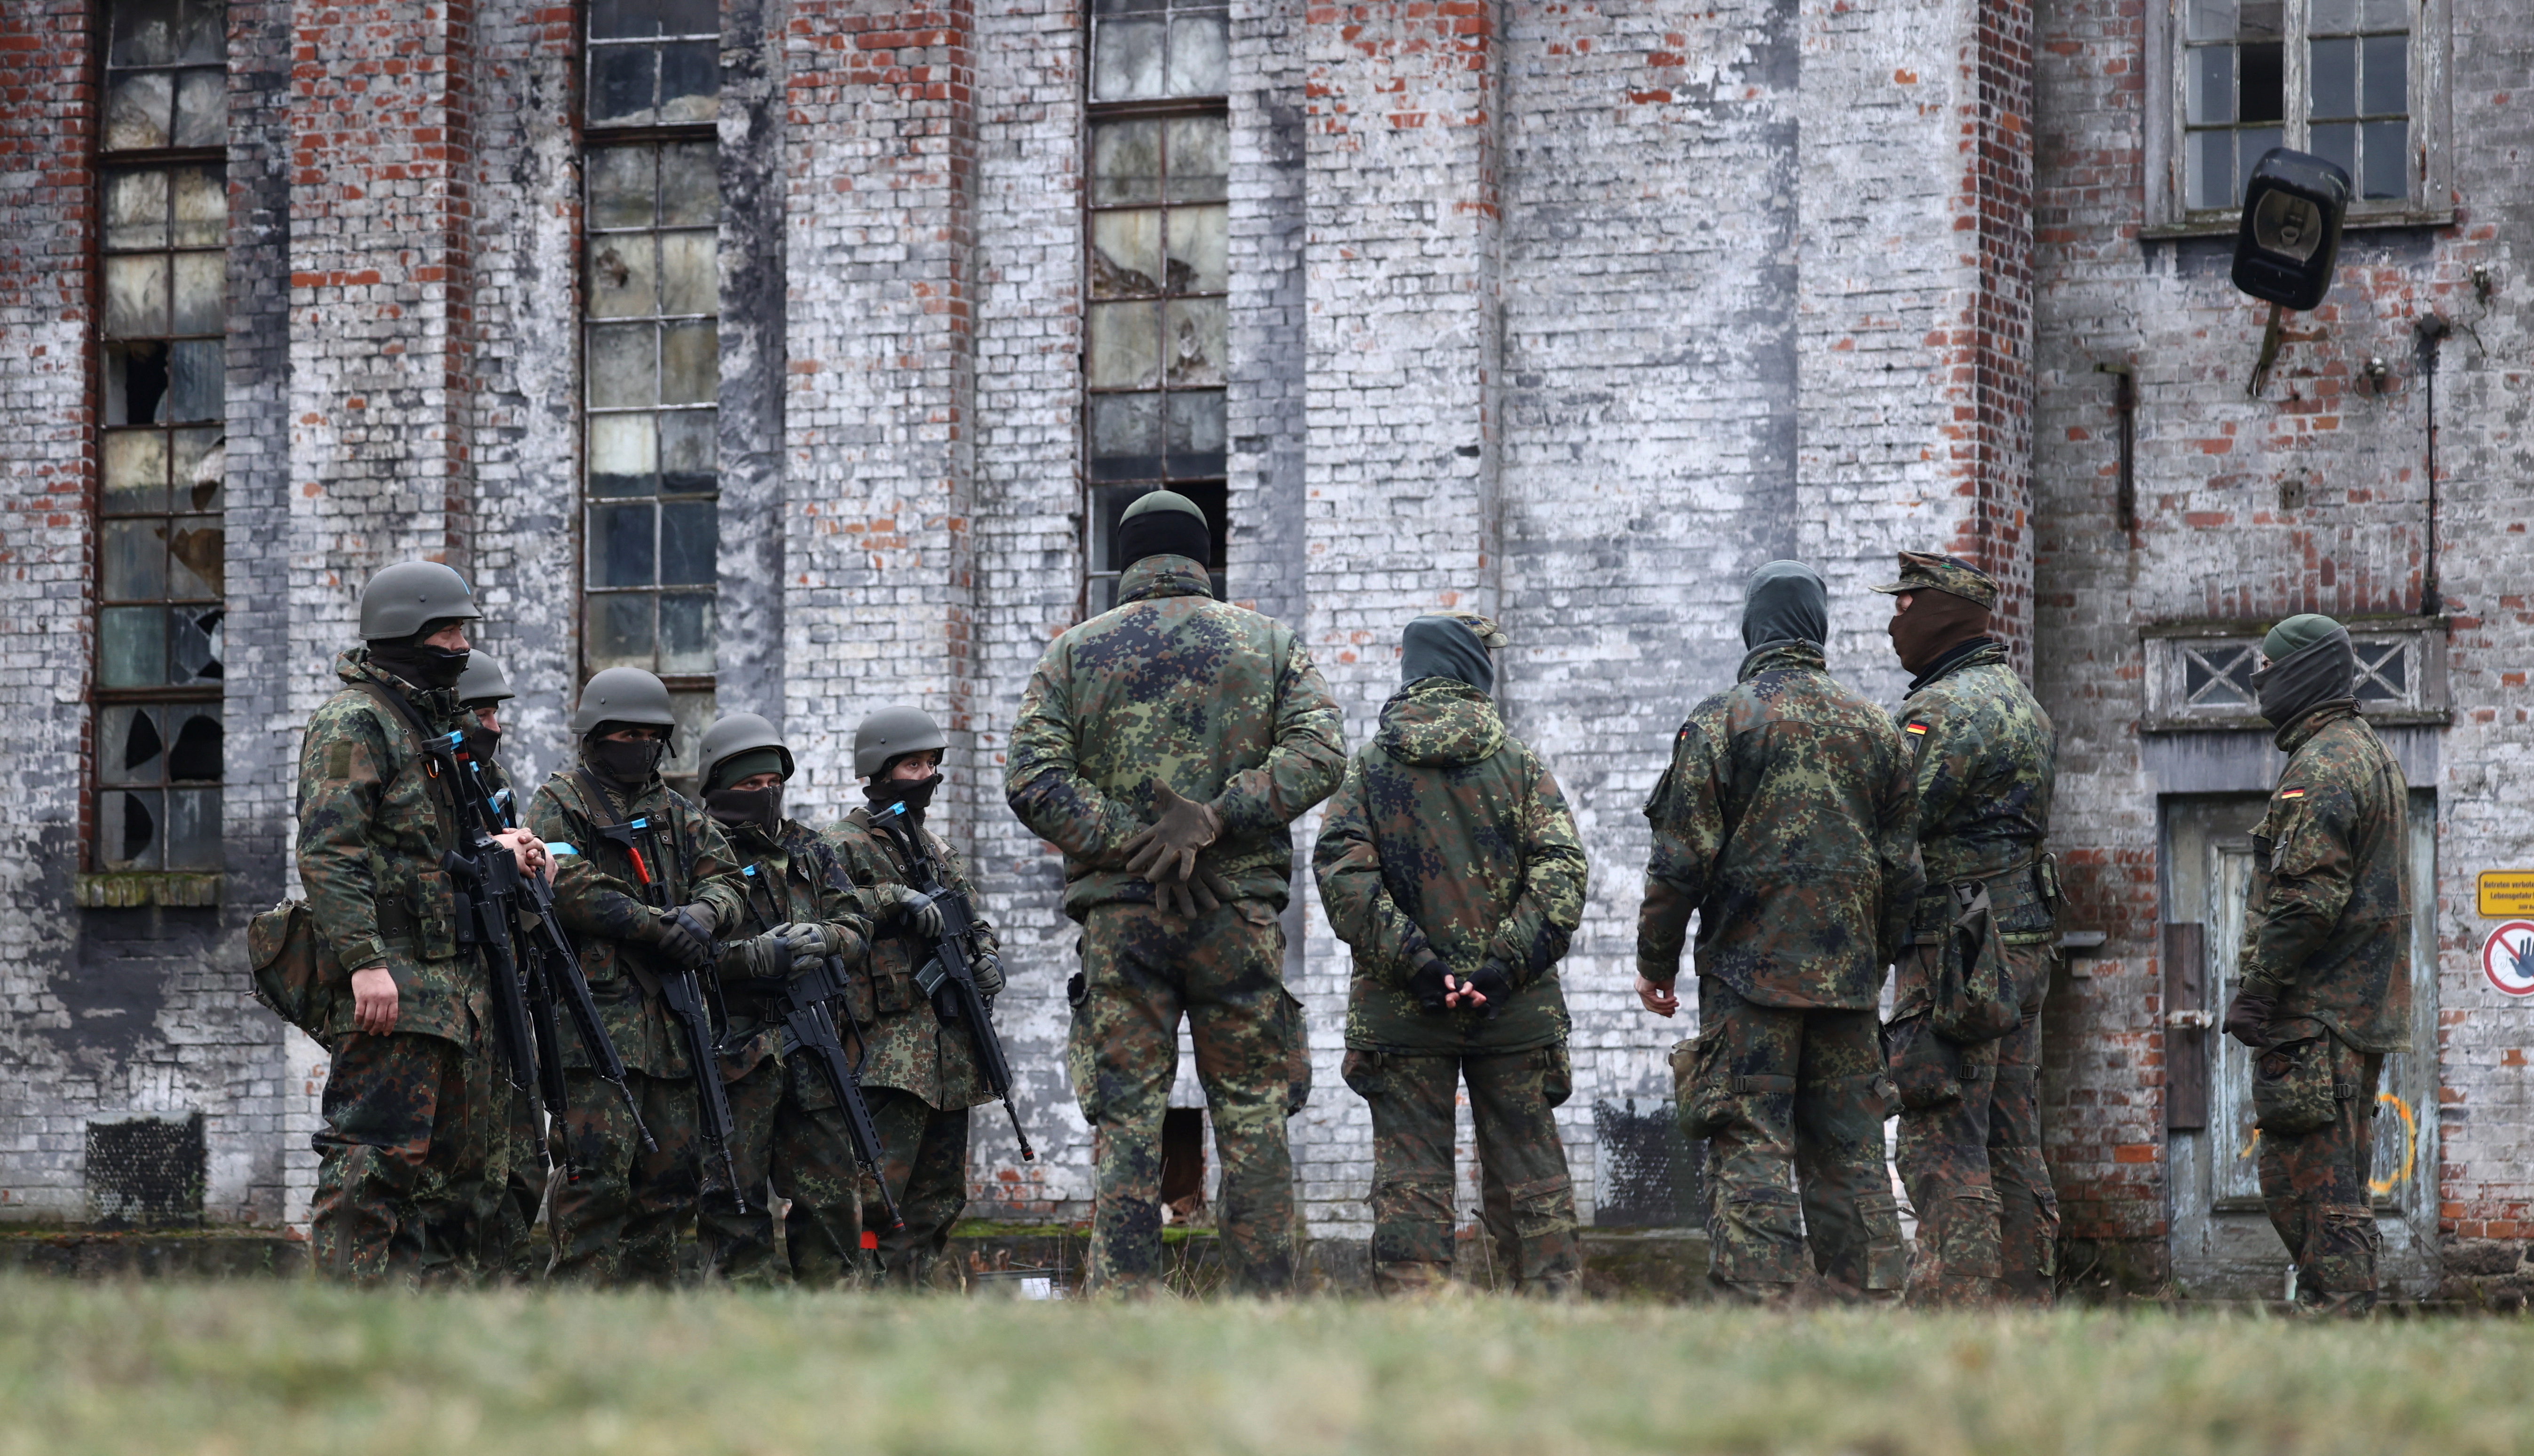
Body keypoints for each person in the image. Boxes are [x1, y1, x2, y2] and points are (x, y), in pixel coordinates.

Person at [1006, 489, 1346, 1295]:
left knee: (1126, 1118)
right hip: (1236, 914)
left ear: (1127, 560)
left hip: (1123, 921)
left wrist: (1134, 846)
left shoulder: (1071, 654)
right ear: (1202, 553)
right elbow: (1321, 753)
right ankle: (1263, 1300)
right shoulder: (1266, 644)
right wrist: (1213, 820)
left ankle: (1126, 1302)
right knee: (1253, 1115)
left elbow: (1031, 779)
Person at [1635, 560, 1918, 1303]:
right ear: (1817, 627)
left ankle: (1759, 1311)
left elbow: (1678, 861)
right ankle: (1873, 1309)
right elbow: (1905, 873)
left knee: (1752, 1143)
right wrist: (1872, 959)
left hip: (1746, 982)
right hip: (1848, 990)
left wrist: (1654, 963)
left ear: (1754, 626)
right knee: (1852, 1151)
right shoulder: (1877, 731)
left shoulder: (1723, 721)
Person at [1314, 613, 1589, 1295]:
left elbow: (1344, 877)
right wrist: (1499, 967)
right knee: (1533, 1182)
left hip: (1406, 1012)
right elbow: (1561, 870)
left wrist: (1419, 966)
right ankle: (1554, 1327)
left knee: (1412, 1186)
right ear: (1475, 672)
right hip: (1513, 1009)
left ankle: (1416, 1330)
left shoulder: (1370, 770)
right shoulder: (1521, 765)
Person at [297, 561, 546, 1284]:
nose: (461, 645)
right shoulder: (356, 722)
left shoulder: (436, 730)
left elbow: (440, 848)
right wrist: (364, 962)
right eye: (448, 631)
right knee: (372, 1166)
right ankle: (344, 1327)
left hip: (458, 990)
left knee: (456, 1182)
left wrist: (509, 847)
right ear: (405, 634)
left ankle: (428, 1338)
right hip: (396, 985)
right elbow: (329, 851)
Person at [1871, 552, 2061, 1306]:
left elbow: (1891, 832)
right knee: (2013, 1133)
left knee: (1943, 1132)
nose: (1895, 621)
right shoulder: (2024, 705)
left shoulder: (1942, 713)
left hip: (1955, 955)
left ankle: (1954, 1310)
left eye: (1906, 604)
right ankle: (2025, 1304)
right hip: (2020, 947)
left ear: (1940, 614)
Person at [525, 667, 750, 1285]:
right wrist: (657, 927)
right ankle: (576, 1331)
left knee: (670, 1192)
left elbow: (728, 881)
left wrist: (704, 917)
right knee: (591, 1190)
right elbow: (566, 886)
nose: (638, 745)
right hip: (596, 1038)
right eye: (623, 734)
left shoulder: (678, 813)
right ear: (594, 736)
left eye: (649, 735)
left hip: (676, 1040)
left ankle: (651, 1334)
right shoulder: (560, 802)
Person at [2222, 613, 2411, 1316]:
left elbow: (2306, 898)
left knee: (2311, 1188)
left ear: (2302, 673)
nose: (2257, 682)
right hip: (2351, 1017)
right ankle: (2340, 1320)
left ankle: (2336, 1325)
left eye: (2267, 669)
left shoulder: (2323, 766)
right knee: (2333, 1186)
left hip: (2316, 1021)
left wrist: (2258, 992)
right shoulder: (2366, 754)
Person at [688, 712, 878, 1286]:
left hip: (814, 1057)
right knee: (734, 1209)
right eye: (751, 786)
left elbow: (856, 925)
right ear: (719, 784)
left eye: (774, 784)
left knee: (831, 1205)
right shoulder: (695, 847)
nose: (766, 795)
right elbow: (680, 946)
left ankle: (832, 1324)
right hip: (735, 1056)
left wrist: (827, 938)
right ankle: (745, 1328)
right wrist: (753, 957)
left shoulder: (810, 848)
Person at [822, 707, 1004, 1290]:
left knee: (938, 1197)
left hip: (949, 1055)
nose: (925, 775)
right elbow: (825, 911)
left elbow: (972, 916)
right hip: (885, 1055)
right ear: (877, 770)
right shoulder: (840, 844)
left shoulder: (933, 846)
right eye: (911, 764)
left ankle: (914, 1298)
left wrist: (987, 957)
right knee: (874, 1194)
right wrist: (891, 898)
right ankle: (861, 1303)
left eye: (931, 764)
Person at [452, 650, 550, 1281]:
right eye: (483, 713)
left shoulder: (491, 781)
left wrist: (533, 855)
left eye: (497, 714)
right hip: (455, 991)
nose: (495, 726)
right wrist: (492, 849)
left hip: (506, 981)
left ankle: (504, 1296)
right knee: (466, 1168)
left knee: (523, 1163)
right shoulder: (428, 776)